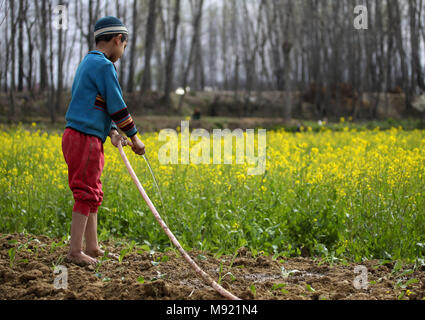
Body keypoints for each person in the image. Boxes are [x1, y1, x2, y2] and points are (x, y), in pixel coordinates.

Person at [62, 16, 145, 266]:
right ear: (118, 39)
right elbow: (117, 105)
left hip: (82, 135)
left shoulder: (88, 62)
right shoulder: (105, 66)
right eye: (124, 47)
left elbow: (95, 104)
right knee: (85, 192)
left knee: (93, 192)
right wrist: (135, 138)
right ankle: (75, 251)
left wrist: (110, 132)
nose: (122, 53)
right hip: (84, 138)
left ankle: (93, 247)